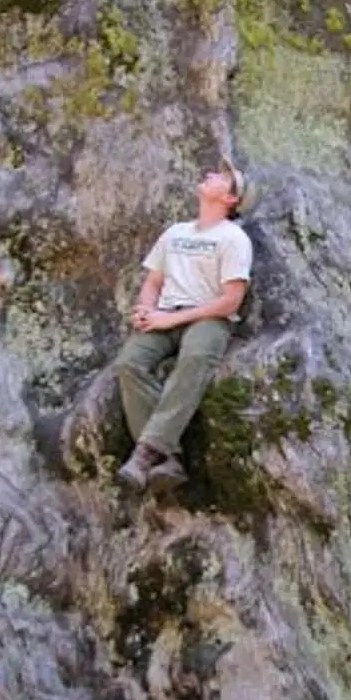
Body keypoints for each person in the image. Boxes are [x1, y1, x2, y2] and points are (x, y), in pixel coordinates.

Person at [115, 158, 253, 492]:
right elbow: (154, 281)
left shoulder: (233, 238)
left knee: (194, 360)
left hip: (208, 318)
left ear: (231, 199)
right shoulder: (175, 232)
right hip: (165, 313)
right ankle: (169, 458)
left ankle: (146, 454)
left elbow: (231, 300)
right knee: (129, 364)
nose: (210, 174)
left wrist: (170, 318)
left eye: (222, 177)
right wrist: (146, 310)